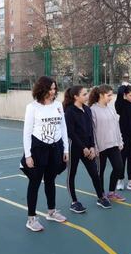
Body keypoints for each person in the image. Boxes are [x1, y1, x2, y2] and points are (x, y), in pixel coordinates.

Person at [21, 76, 69, 232]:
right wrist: (28, 155)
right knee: (34, 182)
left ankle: (51, 211)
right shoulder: (32, 107)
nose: (53, 91)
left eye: (55, 88)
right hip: (38, 148)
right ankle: (31, 218)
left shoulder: (58, 106)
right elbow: (27, 132)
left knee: (50, 180)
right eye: (50, 88)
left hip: (55, 148)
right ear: (42, 89)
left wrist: (65, 149)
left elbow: (63, 128)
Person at [63, 86, 111, 213]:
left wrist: (91, 147)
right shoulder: (69, 111)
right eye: (84, 94)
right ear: (76, 97)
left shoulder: (87, 110)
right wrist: (83, 147)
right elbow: (71, 133)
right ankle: (74, 202)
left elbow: (90, 130)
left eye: (87, 93)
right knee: (71, 174)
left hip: (88, 148)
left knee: (94, 173)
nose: (87, 96)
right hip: (75, 148)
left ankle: (100, 197)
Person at [89, 85, 126, 202]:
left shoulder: (111, 108)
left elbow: (116, 126)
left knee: (119, 167)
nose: (111, 97)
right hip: (100, 147)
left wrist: (120, 141)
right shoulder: (93, 110)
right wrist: (95, 147)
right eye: (108, 95)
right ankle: (101, 195)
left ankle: (111, 192)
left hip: (113, 144)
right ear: (101, 95)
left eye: (112, 95)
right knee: (100, 171)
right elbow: (92, 130)